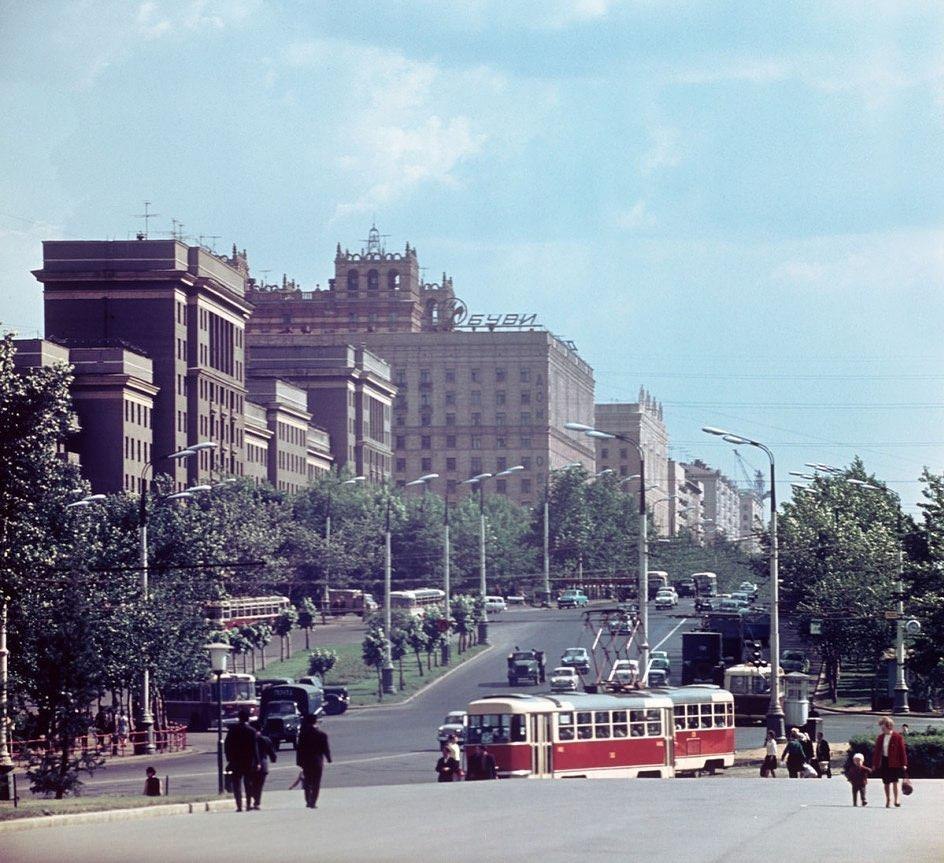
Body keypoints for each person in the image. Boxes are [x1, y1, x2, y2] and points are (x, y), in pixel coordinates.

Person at [224, 708, 260, 812]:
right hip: (248, 761)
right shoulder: (251, 731)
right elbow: (254, 748)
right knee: (248, 783)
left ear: (239, 718)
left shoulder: (232, 730)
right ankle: (248, 805)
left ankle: (239, 806)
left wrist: (229, 759)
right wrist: (257, 762)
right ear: (248, 719)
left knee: (236, 784)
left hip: (235, 761)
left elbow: (227, 745)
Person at [296, 713, 331, 809]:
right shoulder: (322, 735)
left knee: (307, 781)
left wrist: (299, 762)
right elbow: (325, 748)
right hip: (317, 761)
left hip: (306, 761)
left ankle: (308, 800)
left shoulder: (303, 735)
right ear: (315, 721)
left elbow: (299, 749)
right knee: (316, 782)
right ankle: (313, 801)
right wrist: (329, 758)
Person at [873, 716, 908, 808]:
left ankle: (896, 799)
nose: (882, 728)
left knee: (895, 781)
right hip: (884, 761)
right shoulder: (880, 737)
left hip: (895, 762)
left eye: (883, 726)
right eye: (881, 726)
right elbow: (877, 752)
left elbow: (902, 751)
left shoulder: (898, 737)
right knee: (886, 782)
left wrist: (904, 763)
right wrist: (875, 764)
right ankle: (888, 799)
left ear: (889, 726)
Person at [248, 726, 277, 810]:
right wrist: (273, 758)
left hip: (250, 764)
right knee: (259, 785)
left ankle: (252, 800)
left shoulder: (249, 739)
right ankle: (257, 802)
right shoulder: (265, 739)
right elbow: (271, 751)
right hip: (263, 764)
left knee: (250, 784)